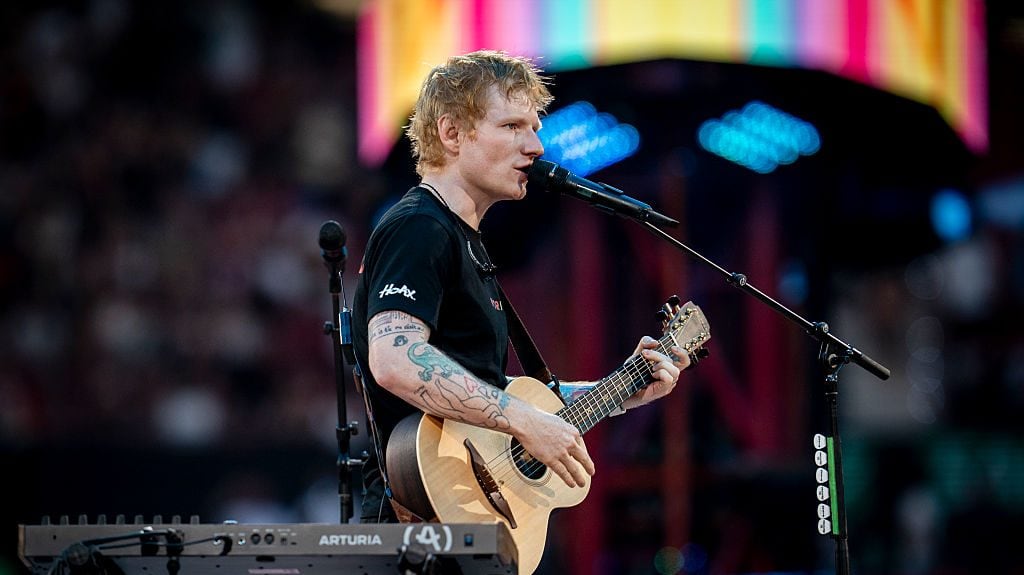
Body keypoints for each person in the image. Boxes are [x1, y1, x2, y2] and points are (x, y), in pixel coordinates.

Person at [350, 49, 690, 524]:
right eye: (512, 127)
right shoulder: (419, 227)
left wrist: (615, 392)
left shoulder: (466, 242)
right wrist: (524, 420)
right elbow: (396, 359)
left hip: (461, 517)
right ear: (451, 133)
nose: (535, 147)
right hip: (416, 518)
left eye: (534, 128)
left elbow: (483, 391)